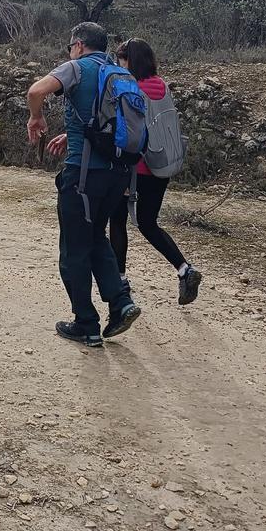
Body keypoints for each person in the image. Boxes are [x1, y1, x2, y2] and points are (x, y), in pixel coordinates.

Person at [26, 21, 141, 348]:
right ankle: (121, 303)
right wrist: (73, 133)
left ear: (78, 44)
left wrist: (36, 117)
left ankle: (86, 323)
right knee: (94, 237)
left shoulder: (77, 67)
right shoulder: (121, 73)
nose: (69, 51)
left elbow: (36, 90)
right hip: (118, 172)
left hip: (84, 174)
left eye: (69, 47)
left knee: (73, 249)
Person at [107, 38, 203, 305]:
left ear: (130, 60)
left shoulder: (132, 89)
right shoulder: (162, 85)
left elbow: (129, 134)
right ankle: (185, 269)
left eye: (121, 58)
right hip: (162, 165)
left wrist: (123, 171)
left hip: (136, 167)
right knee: (148, 222)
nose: (118, 64)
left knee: (117, 219)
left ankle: (120, 279)